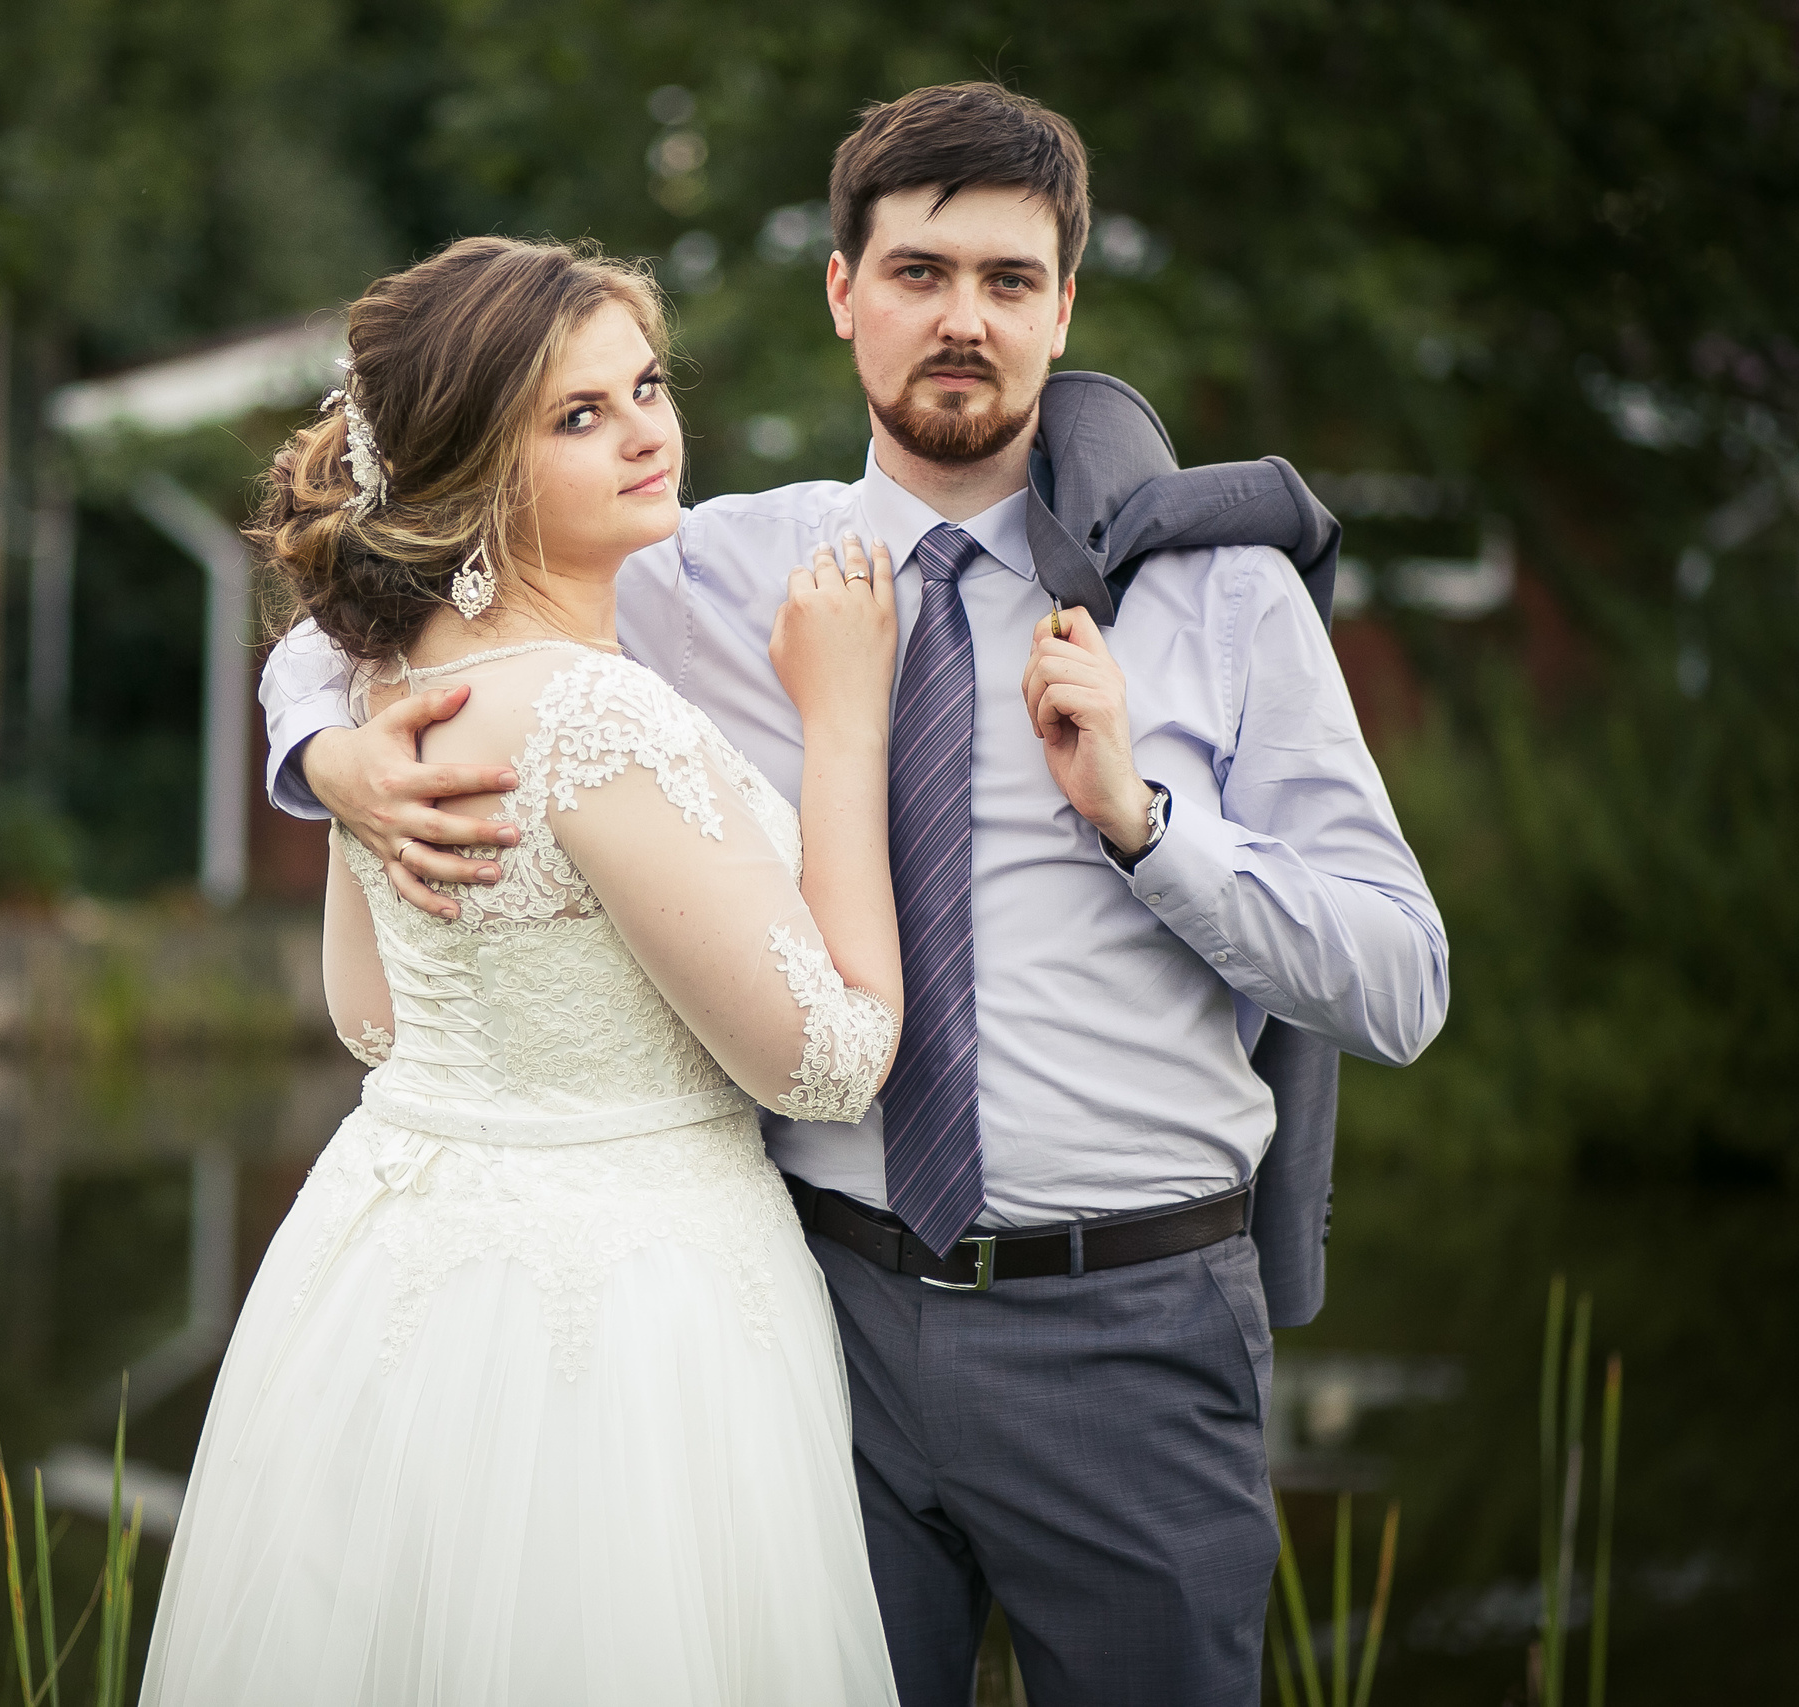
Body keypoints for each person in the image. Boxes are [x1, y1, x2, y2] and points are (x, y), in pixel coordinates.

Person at [261, 84, 1450, 1705]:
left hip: (1131, 1336)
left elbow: (1399, 979)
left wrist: (1145, 820)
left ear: (1064, 308)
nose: (962, 320)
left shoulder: (1217, 595)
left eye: (1009, 281)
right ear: (842, 293)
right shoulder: (699, 571)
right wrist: (325, 758)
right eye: (918, 273)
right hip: (810, 1335)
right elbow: (394, 594)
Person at [140, 235, 908, 1706]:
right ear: (482, 476)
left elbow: (373, 1021)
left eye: (646, 386)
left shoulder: (387, 700)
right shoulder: (594, 718)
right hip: (629, 1322)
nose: (645, 431)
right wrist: (846, 719)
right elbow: (831, 1059)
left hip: (391, 1277)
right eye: (579, 416)